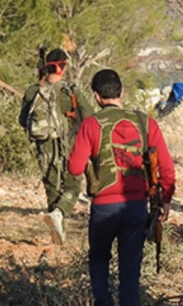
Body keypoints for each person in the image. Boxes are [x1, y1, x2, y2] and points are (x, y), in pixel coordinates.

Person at [67, 69, 176, 306]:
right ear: (121, 92)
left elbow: (75, 168)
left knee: (98, 258)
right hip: (136, 206)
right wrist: (166, 199)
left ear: (96, 96)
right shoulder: (146, 122)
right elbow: (166, 167)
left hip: (103, 207)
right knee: (130, 268)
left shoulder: (91, 124)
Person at [18, 48, 94, 244]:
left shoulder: (33, 90)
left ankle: (57, 233)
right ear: (61, 67)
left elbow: (22, 120)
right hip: (69, 145)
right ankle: (59, 214)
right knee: (73, 185)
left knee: (52, 187)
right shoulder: (71, 90)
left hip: (44, 147)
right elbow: (89, 117)